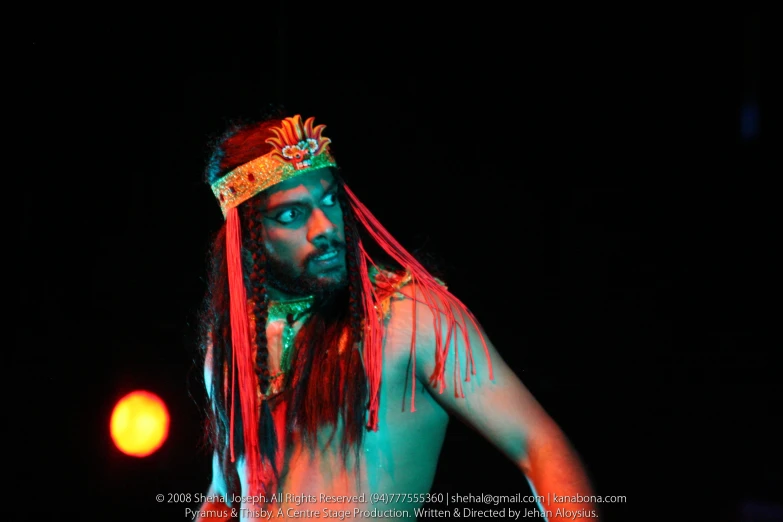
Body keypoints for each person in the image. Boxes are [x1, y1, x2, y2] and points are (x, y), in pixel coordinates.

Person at [192, 112, 599, 521]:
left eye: (331, 200)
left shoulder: (410, 315)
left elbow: (537, 444)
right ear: (245, 235)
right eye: (291, 215)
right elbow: (226, 492)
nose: (324, 227)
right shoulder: (233, 344)